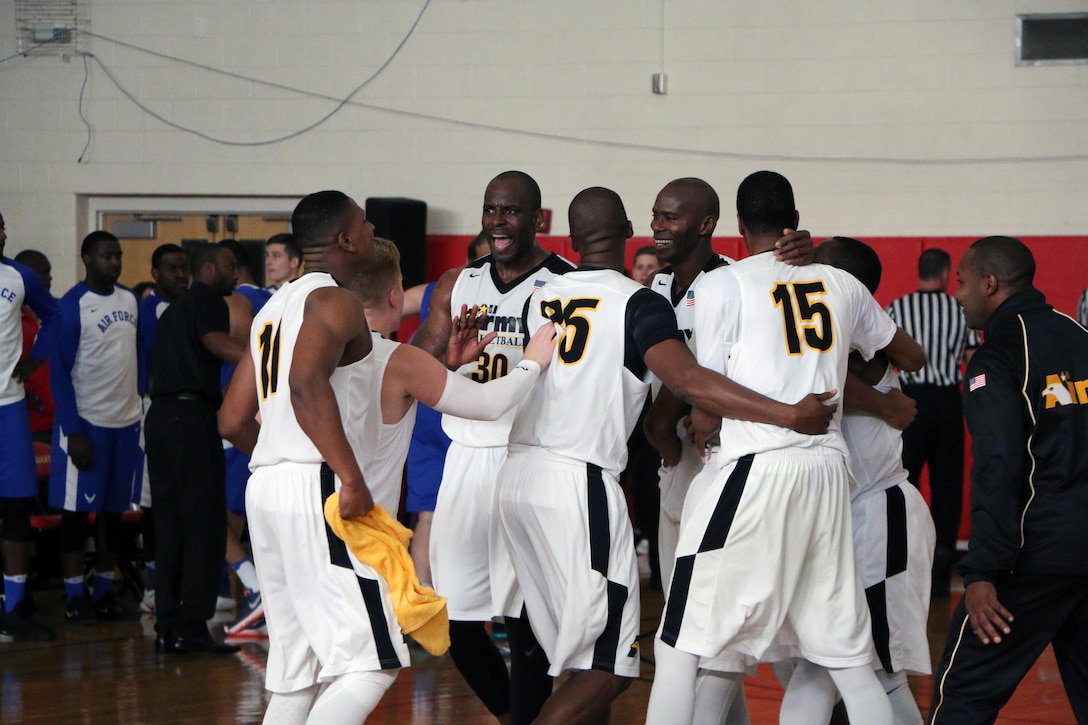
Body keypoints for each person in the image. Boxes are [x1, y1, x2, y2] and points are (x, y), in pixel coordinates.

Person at [496, 186, 838, 724]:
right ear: (630, 227)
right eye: (654, 216)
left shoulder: (539, 293)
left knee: (598, 652)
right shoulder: (643, 296)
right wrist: (788, 414)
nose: (660, 224)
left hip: (519, 477)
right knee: (616, 664)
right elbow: (689, 380)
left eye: (671, 216)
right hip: (591, 479)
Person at [217, 190, 547, 724]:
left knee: (295, 676)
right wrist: (344, 476)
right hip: (318, 490)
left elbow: (233, 420)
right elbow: (307, 381)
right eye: (365, 225)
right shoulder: (334, 300)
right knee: (373, 662)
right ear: (347, 240)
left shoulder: (273, 308)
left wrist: (282, 461)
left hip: (267, 489)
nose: (371, 231)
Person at [647, 171, 925, 725]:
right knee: (846, 659)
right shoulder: (843, 285)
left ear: (738, 225)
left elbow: (704, 402)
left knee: (678, 646)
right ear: (795, 223)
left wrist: (724, 417)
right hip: (827, 475)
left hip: (757, 469)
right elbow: (911, 356)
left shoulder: (723, 285)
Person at [412, 170, 576, 723]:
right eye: (490, 209)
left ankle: (525, 715)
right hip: (466, 460)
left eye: (510, 210)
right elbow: (418, 367)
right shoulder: (460, 283)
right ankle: (514, 715)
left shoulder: (564, 284)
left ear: (536, 218)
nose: (498, 220)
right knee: (454, 618)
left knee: (525, 613)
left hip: (526, 458)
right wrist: (448, 364)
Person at [928, 236, 1088, 724]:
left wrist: (980, 573)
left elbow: (998, 467)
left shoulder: (997, 357)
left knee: (962, 696)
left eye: (961, 281)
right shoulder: (1078, 335)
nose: (956, 294)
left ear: (989, 283)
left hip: (1032, 555)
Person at [789, 236, 935, 725]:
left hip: (879, 517)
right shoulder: (816, 333)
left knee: (878, 670)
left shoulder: (854, 338)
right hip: (834, 518)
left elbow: (910, 357)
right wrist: (884, 405)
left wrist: (881, 403)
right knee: (820, 669)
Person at [145, 243, 244, 654]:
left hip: (161, 418)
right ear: (210, 267)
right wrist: (267, 359)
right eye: (229, 266)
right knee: (203, 524)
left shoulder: (175, 308)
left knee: (169, 524)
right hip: (190, 419)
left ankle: (167, 623)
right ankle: (193, 625)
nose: (236, 273)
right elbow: (217, 342)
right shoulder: (207, 302)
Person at [50, 231, 142, 624]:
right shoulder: (71, 307)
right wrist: (73, 431)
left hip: (126, 423)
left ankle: (104, 593)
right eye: (107, 256)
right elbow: (58, 373)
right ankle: (75, 597)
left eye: (118, 256)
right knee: (75, 516)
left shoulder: (130, 299)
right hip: (87, 424)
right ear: (87, 258)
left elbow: (137, 355)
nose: (115, 263)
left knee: (114, 515)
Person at [886, 248, 979, 597]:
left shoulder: (897, 308)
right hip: (947, 402)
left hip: (909, 402)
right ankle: (940, 577)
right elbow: (973, 359)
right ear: (944, 273)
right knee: (947, 490)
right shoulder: (958, 309)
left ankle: (901, 566)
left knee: (901, 482)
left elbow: (882, 357)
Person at [403, 232, 489, 589]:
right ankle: (443, 612)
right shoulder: (509, 294)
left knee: (430, 514)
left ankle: (429, 613)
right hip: (460, 410)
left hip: (432, 403)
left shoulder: (434, 290)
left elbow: (381, 305)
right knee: (448, 516)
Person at [0, 217, 60, 642]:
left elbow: (55, 319)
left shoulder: (18, 276)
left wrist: (34, 361)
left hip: (8, 407)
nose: (3, 234)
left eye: (3, 226)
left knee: (18, 507)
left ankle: (16, 607)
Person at [217, 239, 273, 637]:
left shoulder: (237, 302)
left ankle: (257, 593)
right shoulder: (277, 297)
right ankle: (238, 591)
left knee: (214, 518)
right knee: (237, 521)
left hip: (241, 417)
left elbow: (243, 359)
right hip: (269, 418)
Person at [134, 242, 191, 615]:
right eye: (171, 268)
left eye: (184, 267)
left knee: (188, 500)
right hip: (152, 411)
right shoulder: (146, 311)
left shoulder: (191, 307)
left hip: (187, 413)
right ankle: (153, 585)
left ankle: (183, 583)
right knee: (155, 503)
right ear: (155, 273)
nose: (180, 275)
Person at [14, 249, 56, 443]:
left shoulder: (50, 314)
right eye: (44, 272)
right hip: (26, 421)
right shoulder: (11, 319)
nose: (50, 278)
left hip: (55, 418)